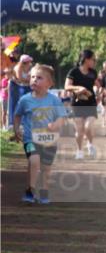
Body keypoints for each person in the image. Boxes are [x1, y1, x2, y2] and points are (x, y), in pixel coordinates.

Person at [12, 64, 66, 205]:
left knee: (46, 168)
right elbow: (17, 115)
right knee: (34, 161)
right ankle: (30, 191)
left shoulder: (54, 100)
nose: (34, 80)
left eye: (39, 78)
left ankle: (44, 191)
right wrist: (16, 129)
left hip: (49, 140)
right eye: (33, 77)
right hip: (30, 139)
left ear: (50, 84)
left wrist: (55, 125)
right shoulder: (25, 100)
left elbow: (62, 118)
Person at [65, 49, 100, 160]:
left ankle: (90, 144)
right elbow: (67, 87)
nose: (95, 61)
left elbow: (98, 84)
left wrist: (98, 93)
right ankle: (79, 151)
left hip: (91, 103)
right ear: (86, 59)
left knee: (88, 127)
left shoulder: (93, 72)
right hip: (77, 104)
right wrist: (79, 88)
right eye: (93, 59)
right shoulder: (73, 72)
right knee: (79, 130)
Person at [7, 55, 33, 135]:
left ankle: (23, 123)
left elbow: (30, 78)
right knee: (14, 104)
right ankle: (12, 124)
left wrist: (28, 80)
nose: (30, 63)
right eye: (29, 61)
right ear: (25, 62)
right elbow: (19, 78)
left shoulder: (28, 68)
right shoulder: (18, 67)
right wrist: (28, 80)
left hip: (22, 86)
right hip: (14, 86)